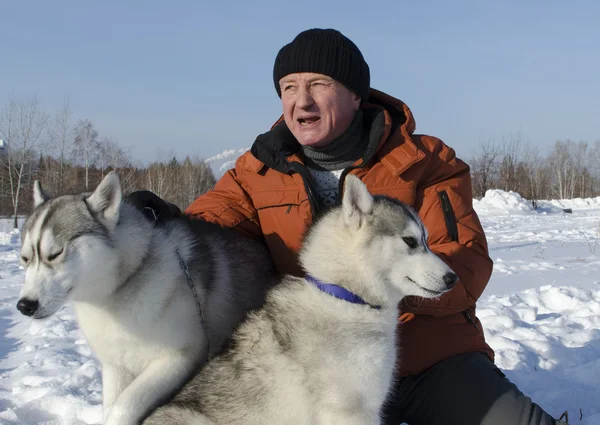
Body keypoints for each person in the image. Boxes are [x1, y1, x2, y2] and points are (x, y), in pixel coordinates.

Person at [134, 28, 564, 425]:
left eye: (318, 84)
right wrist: (154, 219)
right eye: (288, 88)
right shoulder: (257, 171)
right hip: (314, 366)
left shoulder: (425, 162)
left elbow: (463, 265)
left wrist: (376, 293)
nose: (301, 101)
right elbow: (209, 223)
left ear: (356, 96)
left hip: (428, 360)